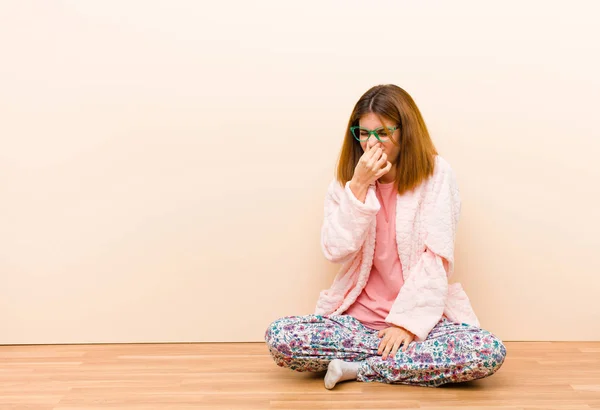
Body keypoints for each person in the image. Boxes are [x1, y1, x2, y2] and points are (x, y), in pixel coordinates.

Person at [264, 84, 506, 390]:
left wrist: (406, 325)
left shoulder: (437, 175)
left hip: (421, 322)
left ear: (405, 132)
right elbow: (334, 250)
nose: (370, 143)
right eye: (363, 133)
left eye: (382, 132)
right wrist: (359, 187)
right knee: (280, 336)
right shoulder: (348, 183)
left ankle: (359, 369)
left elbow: (437, 257)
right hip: (357, 323)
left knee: (485, 352)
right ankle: (393, 362)